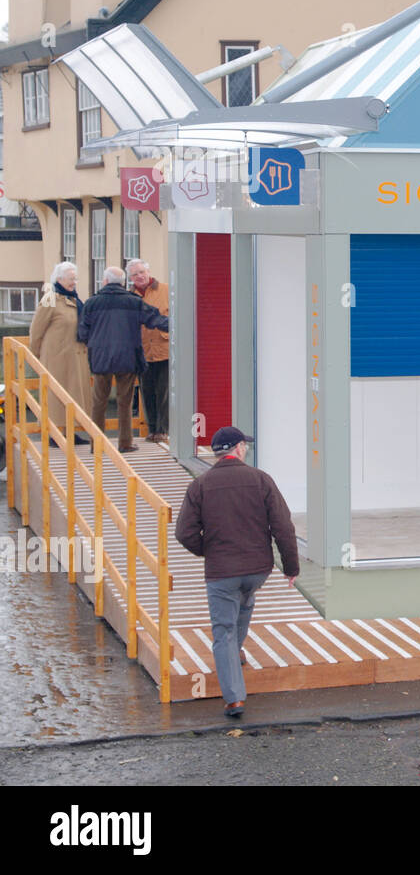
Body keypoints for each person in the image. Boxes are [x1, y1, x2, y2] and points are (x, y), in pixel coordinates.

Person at [176, 426, 299, 718]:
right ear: (239, 448)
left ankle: (234, 699)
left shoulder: (200, 485)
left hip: (222, 572)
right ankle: (236, 658)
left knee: (224, 630)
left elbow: (184, 532)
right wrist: (291, 567)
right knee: (245, 600)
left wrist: (208, 550)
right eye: (245, 445)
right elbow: (283, 527)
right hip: (258, 570)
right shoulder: (260, 480)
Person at [78, 266, 169, 453]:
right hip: (128, 357)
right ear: (123, 283)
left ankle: (97, 444)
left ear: (104, 282)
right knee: (124, 402)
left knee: (99, 402)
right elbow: (156, 320)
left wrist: (94, 344)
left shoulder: (92, 303)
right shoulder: (133, 301)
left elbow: (82, 332)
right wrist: (181, 325)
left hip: (101, 359)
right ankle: (125, 443)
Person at [28, 262, 93, 439]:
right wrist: (35, 355)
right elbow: (36, 330)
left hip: (74, 356)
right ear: (59, 279)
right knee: (56, 398)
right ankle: (54, 435)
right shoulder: (50, 299)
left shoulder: (74, 299)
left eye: (75, 278)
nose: (74, 282)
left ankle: (69, 434)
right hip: (57, 358)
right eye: (71, 279)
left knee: (72, 397)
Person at [126, 259, 169, 443]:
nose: (140, 276)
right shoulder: (129, 297)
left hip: (165, 349)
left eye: (142, 272)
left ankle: (163, 430)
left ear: (148, 271)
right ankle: (152, 429)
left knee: (164, 392)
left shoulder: (166, 290)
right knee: (147, 392)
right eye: (135, 274)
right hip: (143, 352)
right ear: (130, 278)